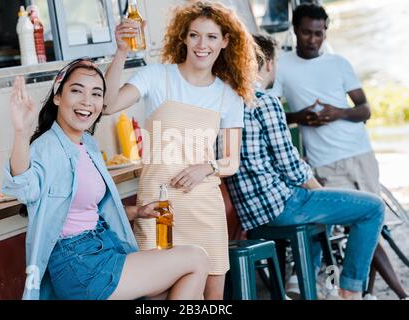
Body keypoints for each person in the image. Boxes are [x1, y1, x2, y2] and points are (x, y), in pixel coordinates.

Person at [2, 58, 209, 300]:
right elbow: (24, 188)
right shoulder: (45, 147)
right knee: (197, 259)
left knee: (168, 292)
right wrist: (20, 132)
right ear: (58, 97)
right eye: (77, 91)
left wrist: (137, 212)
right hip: (79, 263)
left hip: (102, 248)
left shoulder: (87, 144)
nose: (87, 101)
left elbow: (86, 208)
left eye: (96, 94)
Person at [103, 1, 260, 299]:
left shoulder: (229, 96)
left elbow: (231, 160)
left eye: (212, 37)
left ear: (225, 41)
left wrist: (207, 167)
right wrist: (121, 52)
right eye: (195, 35)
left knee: (211, 300)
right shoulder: (156, 76)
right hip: (159, 207)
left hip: (203, 207)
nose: (203, 45)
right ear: (184, 38)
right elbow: (108, 105)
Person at [225, 33, 385, 300]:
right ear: (267, 64)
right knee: (372, 208)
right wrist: (317, 189)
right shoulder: (264, 101)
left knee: (320, 215)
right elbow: (291, 167)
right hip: (280, 206)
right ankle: (351, 290)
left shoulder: (227, 101)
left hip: (252, 213)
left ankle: (302, 283)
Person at [269, 3, 408, 300]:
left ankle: (372, 291)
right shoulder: (282, 65)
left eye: (319, 33)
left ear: (325, 32)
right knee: (353, 223)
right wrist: (300, 117)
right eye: (306, 32)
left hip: (360, 154)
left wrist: (338, 112)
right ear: (295, 30)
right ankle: (391, 291)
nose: (313, 39)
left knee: (373, 228)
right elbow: (271, 111)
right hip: (324, 163)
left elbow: (365, 109)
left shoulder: (339, 63)